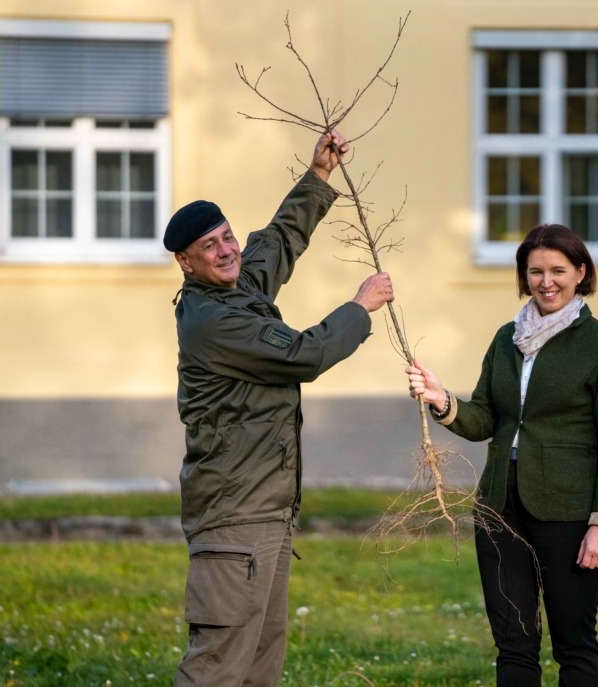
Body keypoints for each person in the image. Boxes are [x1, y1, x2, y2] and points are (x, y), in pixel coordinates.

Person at [165, 130, 394, 687]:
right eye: (210, 248)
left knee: (259, 667)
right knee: (217, 671)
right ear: (185, 262)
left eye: (226, 238)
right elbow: (303, 354)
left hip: (266, 514)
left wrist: (318, 176)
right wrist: (360, 307)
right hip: (233, 520)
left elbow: (276, 242)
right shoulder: (213, 322)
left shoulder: (235, 286)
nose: (226, 251)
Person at [406, 224, 598, 687]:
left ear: (580, 272)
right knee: (513, 645)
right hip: (499, 507)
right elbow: (487, 418)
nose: (546, 281)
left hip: (568, 514)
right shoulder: (506, 337)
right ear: (524, 275)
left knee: (574, 643)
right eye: (535, 271)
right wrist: (441, 399)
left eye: (557, 270)